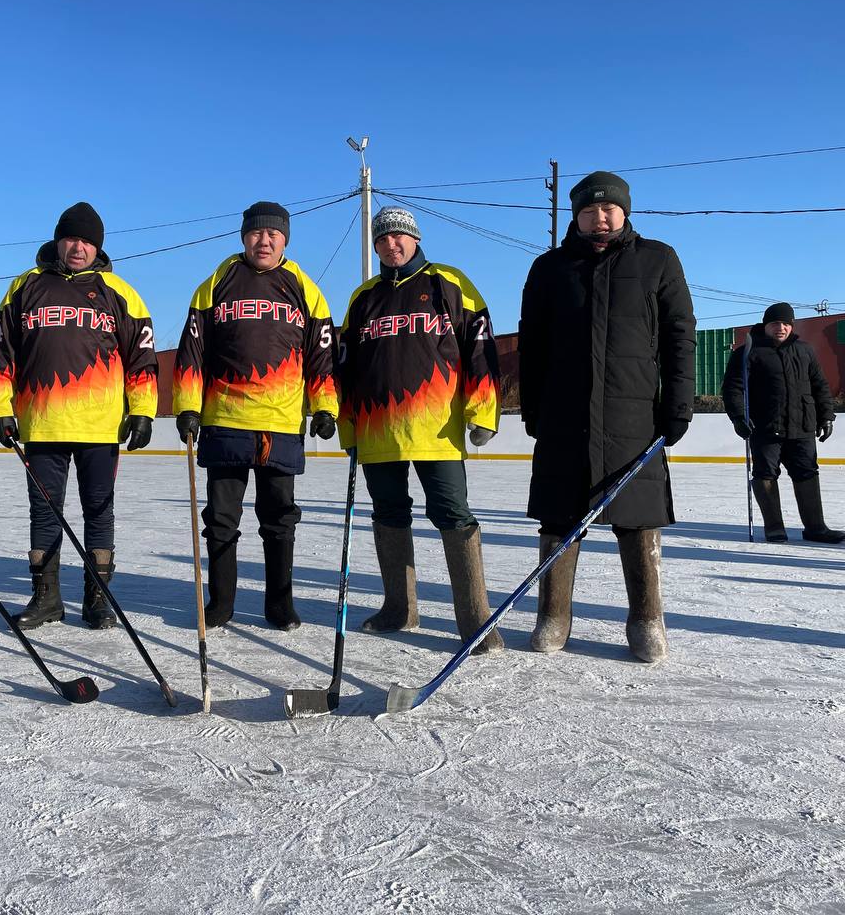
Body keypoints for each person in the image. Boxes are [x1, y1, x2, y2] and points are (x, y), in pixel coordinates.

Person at [519, 170, 695, 662]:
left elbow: (680, 335)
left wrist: (677, 406)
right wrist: (532, 407)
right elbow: (531, 344)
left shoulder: (657, 259)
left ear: (625, 211)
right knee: (559, 518)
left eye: (610, 208)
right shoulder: (549, 267)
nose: (601, 216)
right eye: (591, 208)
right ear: (576, 215)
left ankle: (646, 620)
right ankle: (553, 615)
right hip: (563, 414)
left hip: (633, 415)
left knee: (638, 520)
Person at [0, 202, 158, 629]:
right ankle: (46, 598)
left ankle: (97, 598)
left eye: (87, 241)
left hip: (100, 426)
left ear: (97, 247)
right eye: (71, 238)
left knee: (99, 510)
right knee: (44, 511)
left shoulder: (120, 292)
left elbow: (143, 358)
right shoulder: (26, 287)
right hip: (42, 423)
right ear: (58, 240)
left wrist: (144, 411)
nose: (78, 247)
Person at [338, 207, 504, 653]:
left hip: (438, 431)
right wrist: (348, 429)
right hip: (377, 432)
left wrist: (483, 411)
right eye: (382, 239)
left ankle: (475, 619)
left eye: (399, 237)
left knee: (453, 514)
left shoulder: (449, 283)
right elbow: (347, 371)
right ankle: (399, 608)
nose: (391, 245)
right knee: (388, 514)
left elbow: (481, 350)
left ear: (415, 239)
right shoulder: (362, 298)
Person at [173, 201, 338, 631]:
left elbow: (321, 357)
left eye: (273, 234)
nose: (264, 241)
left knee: (279, 518)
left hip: (280, 423)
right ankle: (221, 602)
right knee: (222, 520)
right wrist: (187, 407)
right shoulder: (216, 284)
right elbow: (193, 353)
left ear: (285, 239)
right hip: (225, 419)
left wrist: (324, 407)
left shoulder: (304, 288)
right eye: (256, 233)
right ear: (244, 236)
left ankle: (279, 604)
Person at [722, 303, 842, 544]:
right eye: (776, 323)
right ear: (766, 325)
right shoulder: (747, 352)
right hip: (765, 427)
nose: (781, 327)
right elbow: (733, 389)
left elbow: (820, 386)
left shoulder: (804, 350)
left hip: (802, 426)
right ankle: (774, 528)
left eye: (786, 323)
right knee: (765, 474)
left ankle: (816, 528)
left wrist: (826, 416)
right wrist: (738, 418)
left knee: (807, 472)